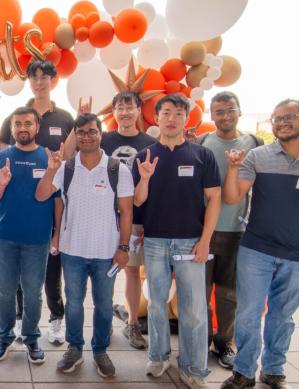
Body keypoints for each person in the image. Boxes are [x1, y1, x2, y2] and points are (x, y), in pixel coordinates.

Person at [220, 99, 299, 389]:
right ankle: (244, 371)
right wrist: (234, 168)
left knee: (282, 316)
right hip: (256, 249)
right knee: (248, 313)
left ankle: (274, 369)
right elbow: (233, 197)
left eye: (290, 117)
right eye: (277, 119)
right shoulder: (258, 156)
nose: (283, 123)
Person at [132, 94, 221, 389]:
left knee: (194, 309)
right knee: (157, 303)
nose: (172, 118)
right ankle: (158, 356)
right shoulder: (143, 156)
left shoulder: (202, 155)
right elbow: (137, 201)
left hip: (190, 242)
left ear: (186, 118)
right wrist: (144, 178)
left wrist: (205, 240)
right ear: (157, 118)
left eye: (178, 113)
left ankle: (193, 368)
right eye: (166, 112)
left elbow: (214, 199)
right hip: (156, 241)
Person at [36, 113, 134, 377]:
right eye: (81, 132)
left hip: (106, 253)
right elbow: (41, 194)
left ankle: (100, 350)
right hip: (73, 251)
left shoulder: (117, 169)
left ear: (100, 134)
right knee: (74, 304)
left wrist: (123, 248)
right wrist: (51, 168)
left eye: (92, 131)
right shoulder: (66, 167)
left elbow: (126, 212)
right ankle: (75, 348)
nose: (86, 136)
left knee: (104, 305)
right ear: (75, 136)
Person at [0, 59, 73, 345]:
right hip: (9, 225)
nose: (39, 81)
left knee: (48, 276)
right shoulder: (16, 116)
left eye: (44, 76)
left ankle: (54, 319)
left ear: (52, 80)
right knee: (10, 287)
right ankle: (16, 326)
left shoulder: (63, 118)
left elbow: (68, 154)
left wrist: (54, 166)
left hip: (46, 205)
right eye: (33, 77)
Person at [66, 91, 157, 349]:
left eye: (130, 107)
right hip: (103, 218)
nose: (125, 112)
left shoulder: (149, 142)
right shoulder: (102, 137)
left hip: (136, 216)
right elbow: (70, 153)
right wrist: (78, 119)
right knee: (104, 278)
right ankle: (105, 324)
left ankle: (132, 323)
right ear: (113, 112)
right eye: (120, 107)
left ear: (139, 110)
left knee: (131, 271)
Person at [197, 91, 263, 369]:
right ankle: (199, 341)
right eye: (219, 111)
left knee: (228, 293)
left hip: (236, 232)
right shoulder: (203, 143)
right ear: (211, 116)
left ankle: (224, 343)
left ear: (239, 111)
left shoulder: (254, 144)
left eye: (230, 110)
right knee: (199, 292)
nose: (225, 116)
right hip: (203, 232)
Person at [0, 107, 58, 365]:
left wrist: (56, 235)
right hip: (5, 236)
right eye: (18, 123)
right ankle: (4, 337)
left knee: (33, 293)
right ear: (12, 127)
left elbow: (57, 200)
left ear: (37, 127)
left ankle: (30, 338)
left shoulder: (49, 158)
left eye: (28, 123)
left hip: (37, 238)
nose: (23, 128)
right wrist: (2, 183)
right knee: (4, 292)